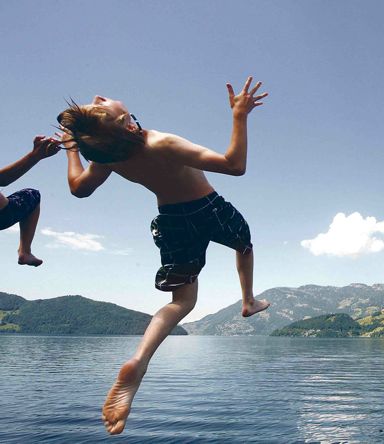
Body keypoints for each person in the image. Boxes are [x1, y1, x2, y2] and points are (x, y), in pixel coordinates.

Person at [56, 77, 270, 435]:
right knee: (244, 244)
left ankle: (140, 360)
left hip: (171, 220)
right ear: (126, 122)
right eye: (100, 104)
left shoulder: (111, 155)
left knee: (181, 301)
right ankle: (248, 300)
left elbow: (79, 189)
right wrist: (239, 116)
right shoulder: (162, 143)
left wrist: (71, 151)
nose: (99, 95)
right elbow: (234, 165)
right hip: (208, 207)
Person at [0, 136, 60, 266]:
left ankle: (25, 252)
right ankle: (25, 251)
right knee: (32, 194)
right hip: (4, 214)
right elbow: (3, 179)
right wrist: (35, 155)